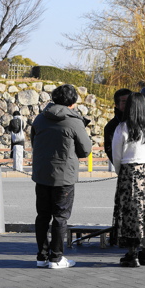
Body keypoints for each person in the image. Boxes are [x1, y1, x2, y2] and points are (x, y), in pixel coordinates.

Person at [30, 84, 92, 270]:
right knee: (60, 217)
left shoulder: (40, 119)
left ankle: (42, 256)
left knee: (42, 216)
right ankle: (56, 258)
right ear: (73, 102)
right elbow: (85, 150)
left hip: (42, 174)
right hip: (64, 176)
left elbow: (34, 143)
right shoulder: (74, 121)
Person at [111, 92, 145, 268]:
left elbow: (116, 155)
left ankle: (132, 254)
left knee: (131, 213)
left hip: (130, 172)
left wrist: (121, 172)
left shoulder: (123, 128)